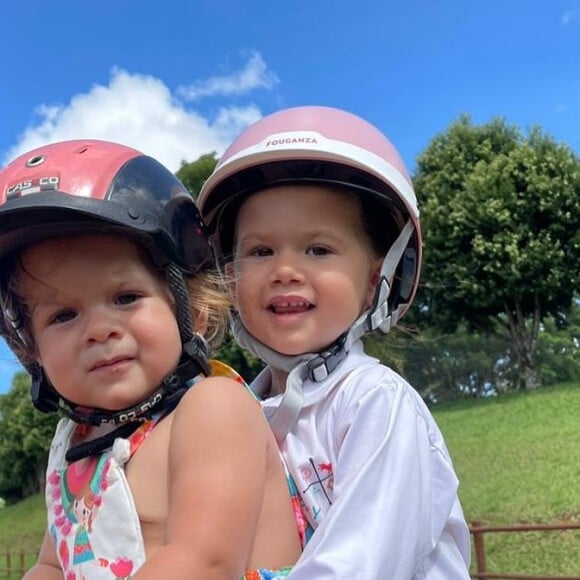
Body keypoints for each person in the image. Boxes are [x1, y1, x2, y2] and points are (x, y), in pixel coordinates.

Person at [0, 139, 303, 579]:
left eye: (126, 297)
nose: (99, 329)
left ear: (192, 308)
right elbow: (51, 565)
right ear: (34, 351)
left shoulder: (212, 408)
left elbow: (204, 562)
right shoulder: (74, 445)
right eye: (63, 315)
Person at [198, 106, 472, 578]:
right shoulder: (234, 413)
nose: (285, 270)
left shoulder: (376, 403)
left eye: (318, 249)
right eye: (260, 251)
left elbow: (363, 564)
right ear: (229, 278)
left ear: (375, 280)